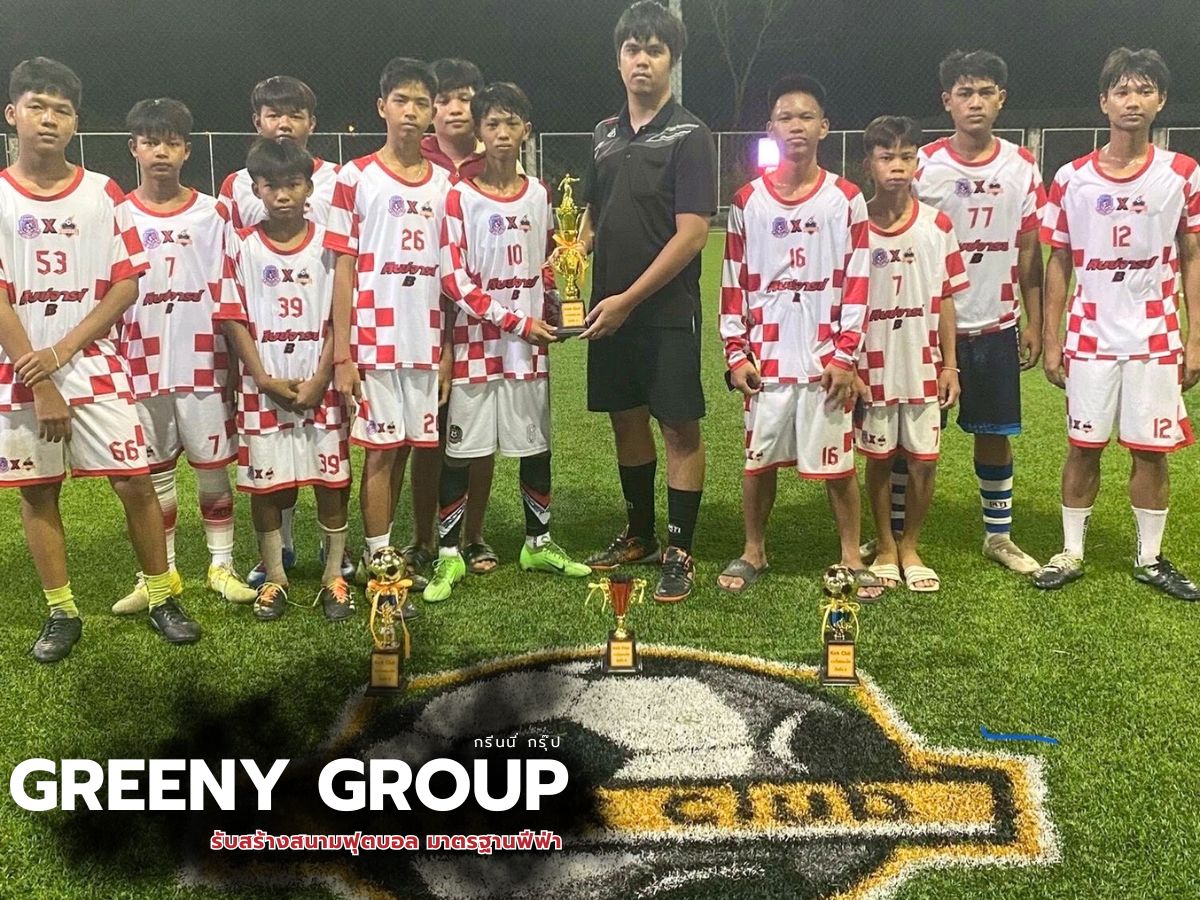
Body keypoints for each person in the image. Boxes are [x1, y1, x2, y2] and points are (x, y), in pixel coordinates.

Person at [0, 57, 201, 661]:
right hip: (20, 370)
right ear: (12, 114)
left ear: (75, 123)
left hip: (92, 361)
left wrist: (62, 351)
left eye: (61, 110)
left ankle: (162, 595)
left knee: (135, 481)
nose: (49, 119)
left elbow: (125, 284)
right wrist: (41, 380)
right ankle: (62, 612)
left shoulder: (101, 191)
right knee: (39, 492)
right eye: (37, 107)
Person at [1034, 47, 1199, 600]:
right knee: (1083, 446)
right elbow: (1058, 260)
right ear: (1103, 101)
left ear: (1161, 100)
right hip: (1091, 335)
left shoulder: (1182, 173)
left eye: (1144, 90)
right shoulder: (1071, 178)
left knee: (1150, 450)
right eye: (1122, 90)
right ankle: (1071, 552)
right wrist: (1052, 339)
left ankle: (1150, 558)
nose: (1133, 101)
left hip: (1156, 336)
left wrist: (1195, 338)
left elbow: (1193, 256)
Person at [716, 74, 879, 601]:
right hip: (765, 360)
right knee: (757, 462)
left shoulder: (846, 199)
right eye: (785, 117)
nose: (796, 126)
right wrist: (736, 353)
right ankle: (753, 550)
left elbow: (858, 282)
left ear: (824, 127)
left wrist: (846, 357)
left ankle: (851, 555)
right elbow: (733, 283)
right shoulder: (747, 202)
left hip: (824, 361)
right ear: (770, 129)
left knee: (839, 466)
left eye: (806, 116)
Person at [430, 81, 590, 602]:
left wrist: (559, 304)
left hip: (527, 352)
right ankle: (449, 555)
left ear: (527, 130)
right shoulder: (459, 196)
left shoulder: (540, 194)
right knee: (460, 453)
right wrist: (518, 321)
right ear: (479, 132)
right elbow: (454, 280)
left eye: (511, 123)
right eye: (492, 124)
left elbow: (547, 263)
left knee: (535, 447)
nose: (502, 133)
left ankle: (537, 544)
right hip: (476, 348)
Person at [580, 0, 716, 603]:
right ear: (618, 59)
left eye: (654, 50)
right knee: (626, 418)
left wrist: (629, 300)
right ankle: (640, 535)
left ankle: (680, 550)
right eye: (632, 49)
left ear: (671, 61)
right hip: (607, 311)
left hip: (662, 311)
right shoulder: (603, 135)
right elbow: (590, 215)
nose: (642, 60)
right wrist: (570, 255)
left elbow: (692, 234)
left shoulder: (690, 135)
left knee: (678, 427)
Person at [901, 50, 1046, 575]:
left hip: (995, 323)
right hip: (928, 327)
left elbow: (1029, 251)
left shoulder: (1021, 165)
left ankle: (998, 536)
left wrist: (1036, 322)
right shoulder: (924, 164)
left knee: (994, 432)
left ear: (1001, 99)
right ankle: (896, 537)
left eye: (986, 92)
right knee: (912, 437)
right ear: (947, 101)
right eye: (965, 93)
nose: (976, 102)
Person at [111, 97, 256, 614]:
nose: (161, 152)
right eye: (150, 142)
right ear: (133, 148)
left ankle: (222, 566)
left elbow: (233, 286)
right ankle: (162, 573)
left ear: (187, 150)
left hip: (204, 363)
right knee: (154, 476)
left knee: (213, 470)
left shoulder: (214, 213)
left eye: (171, 143)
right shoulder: (117, 215)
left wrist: (238, 362)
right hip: (139, 364)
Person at [215, 138, 355, 620]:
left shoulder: (329, 245)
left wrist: (321, 376)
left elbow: (340, 316)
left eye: (292, 184)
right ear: (255, 189)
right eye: (270, 185)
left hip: (320, 384)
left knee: (331, 480)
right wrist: (261, 378)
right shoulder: (241, 244)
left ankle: (334, 576)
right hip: (264, 387)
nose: (282, 195)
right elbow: (232, 316)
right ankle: (275, 577)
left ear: (309, 188)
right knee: (266, 486)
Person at [327, 58, 447, 603]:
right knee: (379, 451)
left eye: (422, 103)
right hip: (374, 340)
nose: (411, 112)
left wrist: (447, 353)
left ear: (433, 112)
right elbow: (343, 268)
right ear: (382, 107)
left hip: (425, 339)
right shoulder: (354, 178)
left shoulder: (445, 184)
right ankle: (379, 561)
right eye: (401, 100)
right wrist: (343, 354)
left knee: (402, 450)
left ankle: (387, 552)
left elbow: (452, 274)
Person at [855, 116, 967, 593]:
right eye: (886, 157)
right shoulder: (854, 224)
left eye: (906, 157)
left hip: (923, 362)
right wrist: (851, 365)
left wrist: (950, 364)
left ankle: (910, 546)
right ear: (869, 164)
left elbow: (946, 298)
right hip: (873, 362)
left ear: (918, 162)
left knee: (924, 461)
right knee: (879, 459)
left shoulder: (937, 225)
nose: (897, 167)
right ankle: (884, 545)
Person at [418, 56, 497, 578]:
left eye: (465, 98)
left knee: (478, 435)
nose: (454, 108)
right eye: (443, 99)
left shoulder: (494, 162)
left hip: (478, 321)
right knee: (427, 435)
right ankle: (424, 537)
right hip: (419, 318)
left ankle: (473, 534)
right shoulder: (415, 161)